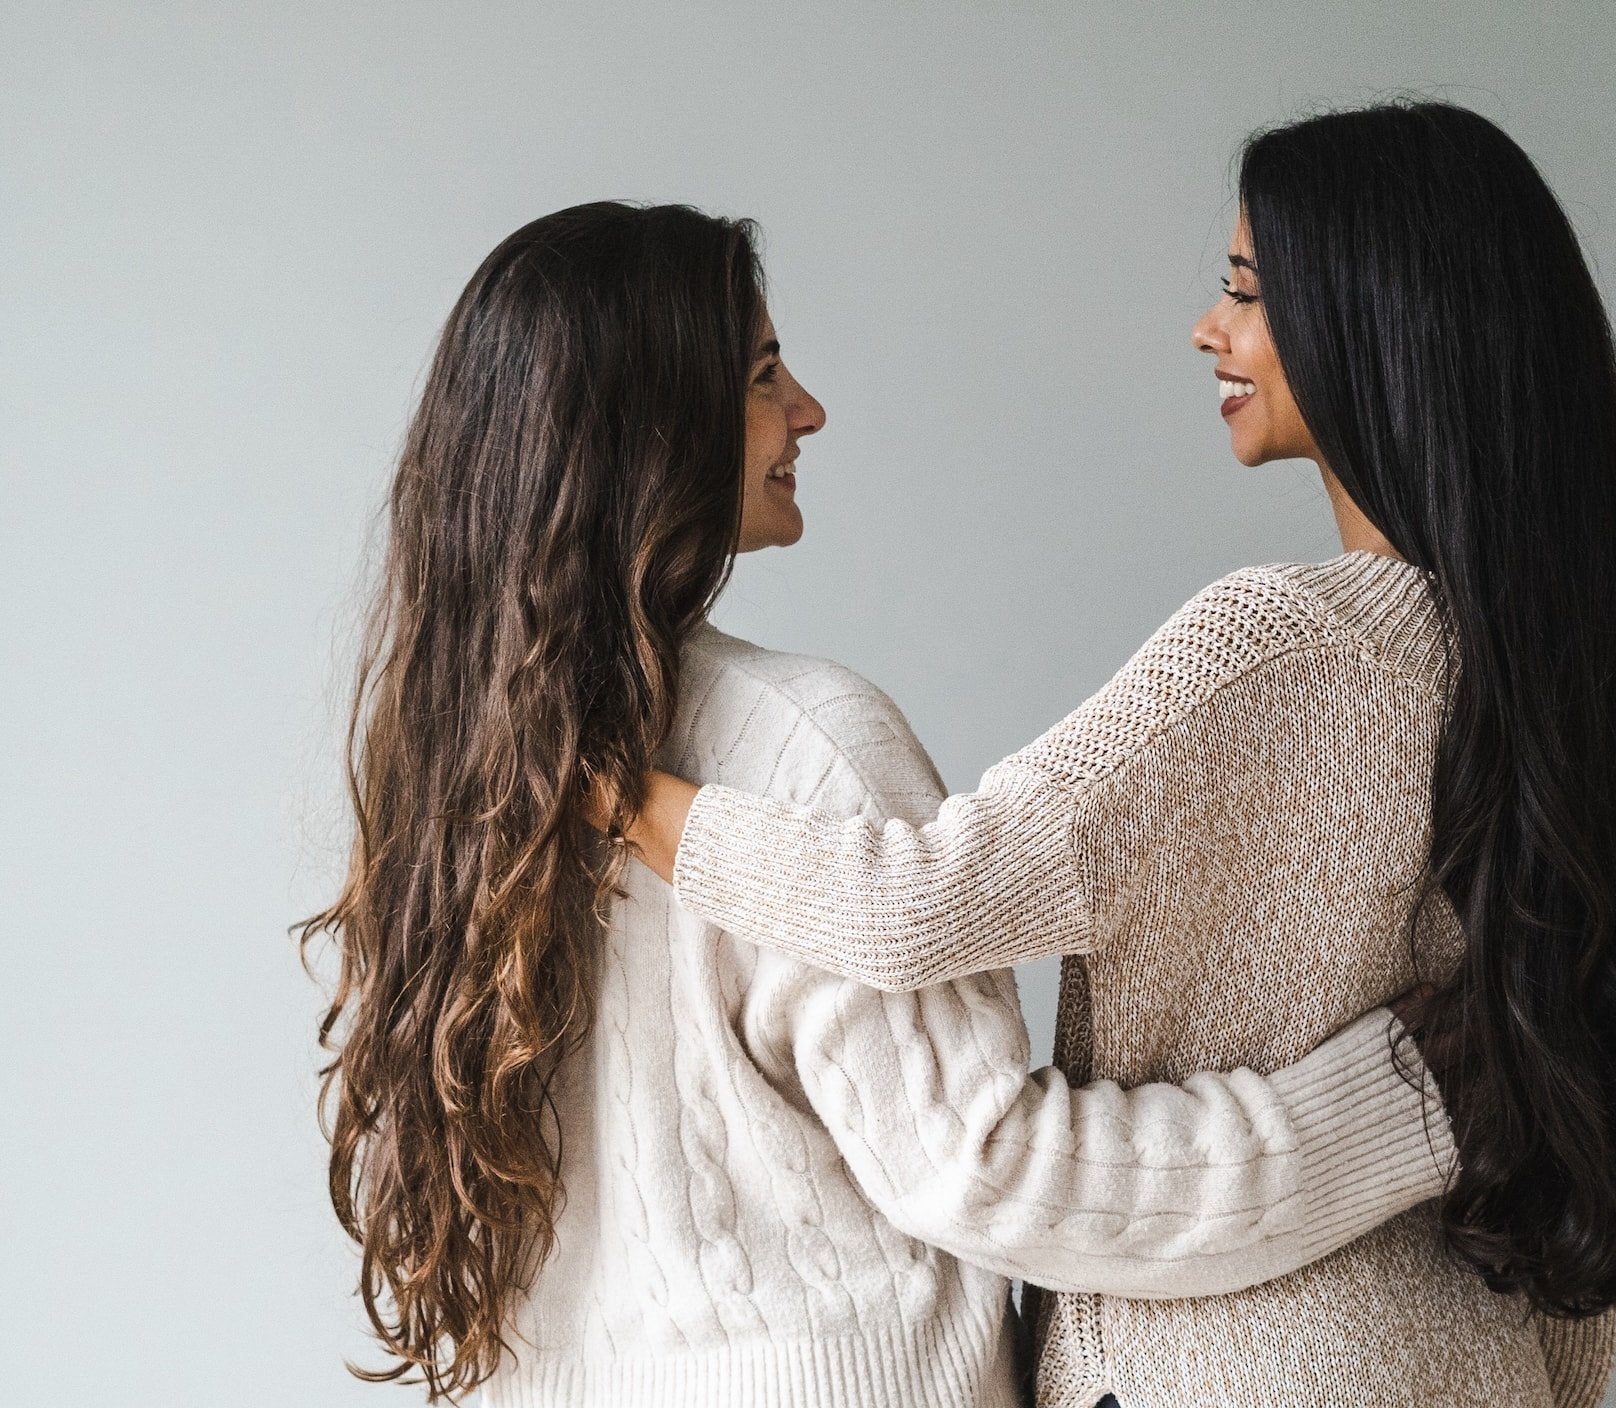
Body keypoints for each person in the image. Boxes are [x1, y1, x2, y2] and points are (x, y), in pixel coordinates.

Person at [616, 101, 1616, 1408]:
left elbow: (920, 901)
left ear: (1374, 324)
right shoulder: (1553, 687)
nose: (1212, 329)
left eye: (1248, 293)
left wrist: (626, 796)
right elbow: (1570, 1194)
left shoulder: (1277, 647)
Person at [301, 200, 1457, 1408]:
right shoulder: (801, 742)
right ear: (646, 424)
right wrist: (1404, 1100)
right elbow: (1001, 1169)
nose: (805, 408)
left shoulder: (455, 788)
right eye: (759, 374)